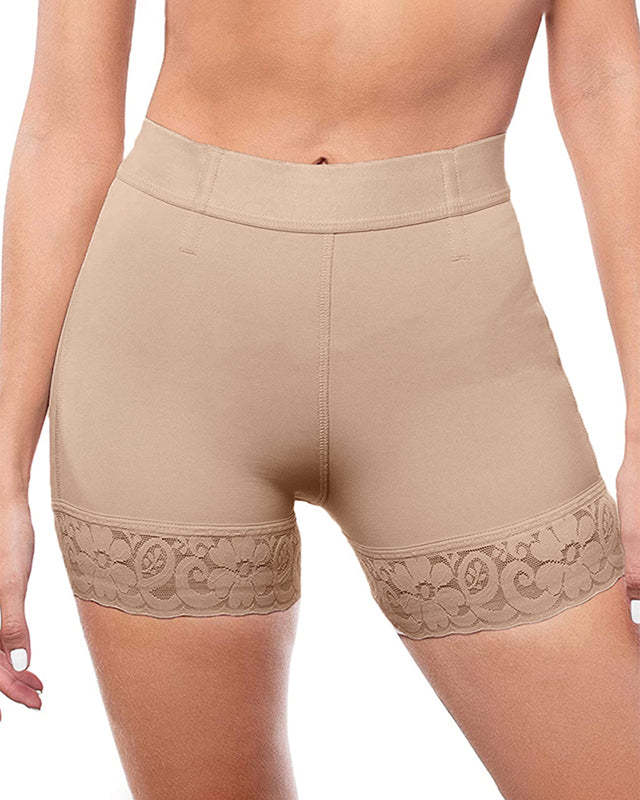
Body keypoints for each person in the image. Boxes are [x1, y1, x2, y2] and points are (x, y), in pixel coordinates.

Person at [1, 1, 640, 798]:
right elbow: (65, 118)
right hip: (163, 353)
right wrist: (3, 477)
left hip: (459, 360)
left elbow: (607, 86)